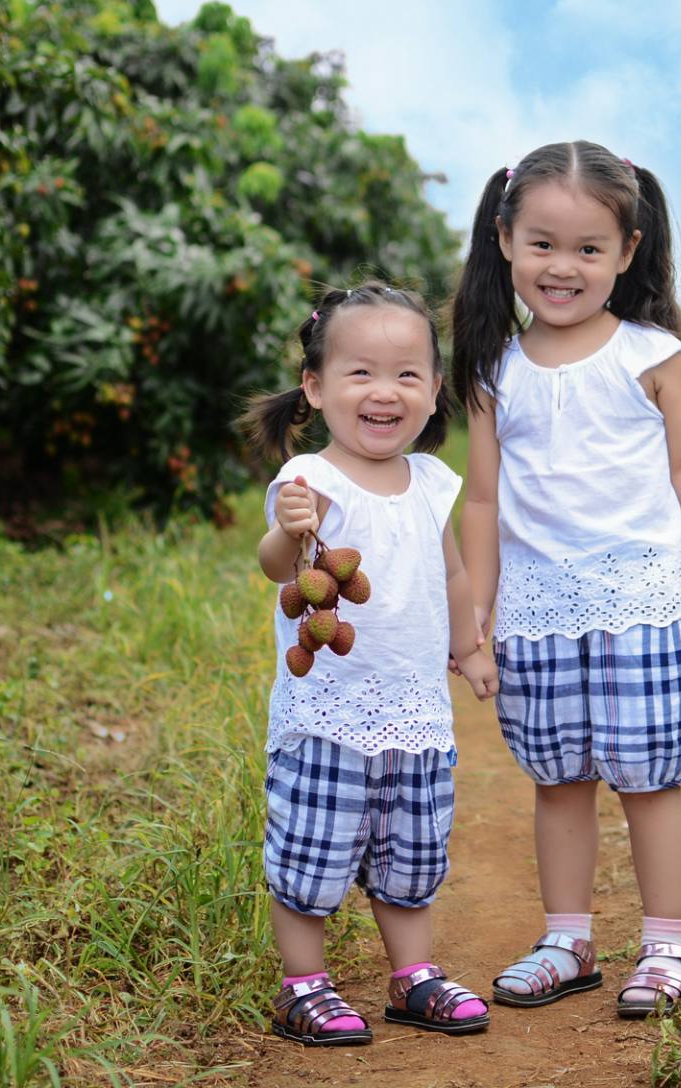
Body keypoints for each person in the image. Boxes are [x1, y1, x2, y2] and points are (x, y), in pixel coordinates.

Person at [452, 142, 681, 1018]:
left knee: (649, 781)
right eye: (542, 244)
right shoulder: (495, 370)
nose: (563, 267)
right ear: (504, 238)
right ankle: (568, 939)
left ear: (628, 252)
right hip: (538, 609)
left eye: (589, 249)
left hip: (643, 602)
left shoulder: (649, 353)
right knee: (558, 780)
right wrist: (478, 614)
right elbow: (482, 505)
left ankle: (667, 947)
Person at [240, 282, 499, 1046]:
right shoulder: (308, 484)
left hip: (415, 711)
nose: (384, 392)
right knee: (313, 846)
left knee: (410, 853)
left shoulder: (431, 483)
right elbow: (272, 567)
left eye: (407, 374)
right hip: (329, 711)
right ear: (316, 388)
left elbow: (450, 574)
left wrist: (471, 647)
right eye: (360, 373)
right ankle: (303, 986)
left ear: (433, 390)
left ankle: (412, 976)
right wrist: (291, 533)